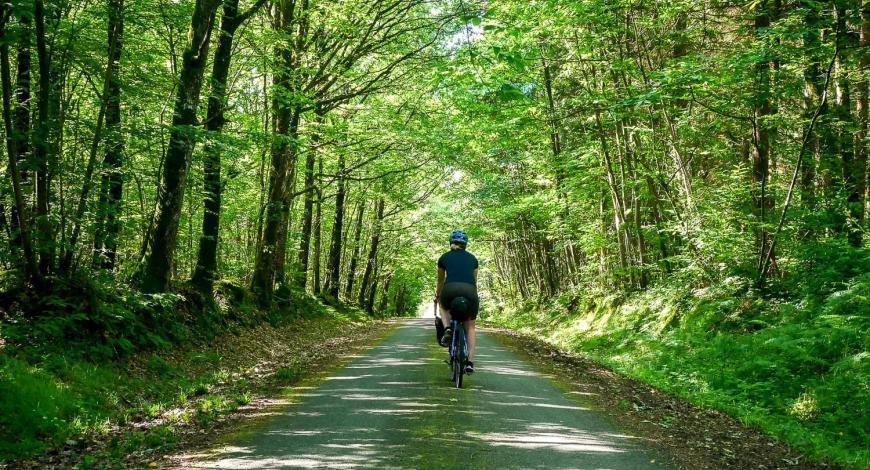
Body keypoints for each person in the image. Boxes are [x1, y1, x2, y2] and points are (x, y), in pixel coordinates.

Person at [435, 229, 479, 373]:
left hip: (450, 289)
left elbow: (440, 281)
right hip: (470, 291)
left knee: (443, 306)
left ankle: (447, 328)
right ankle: (470, 362)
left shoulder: (444, 258)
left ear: (450, 242)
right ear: (465, 244)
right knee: (470, 326)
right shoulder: (473, 259)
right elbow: (474, 281)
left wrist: (438, 295)